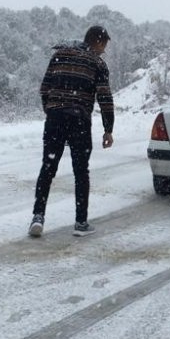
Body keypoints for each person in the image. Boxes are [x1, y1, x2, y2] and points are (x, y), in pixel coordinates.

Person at [29, 26, 114, 238]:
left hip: (55, 119)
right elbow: (104, 98)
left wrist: (51, 110)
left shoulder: (60, 55)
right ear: (99, 42)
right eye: (104, 46)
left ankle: (38, 217)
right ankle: (80, 222)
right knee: (81, 171)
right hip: (79, 121)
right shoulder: (97, 64)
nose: (103, 51)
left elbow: (44, 89)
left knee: (48, 168)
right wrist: (108, 129)